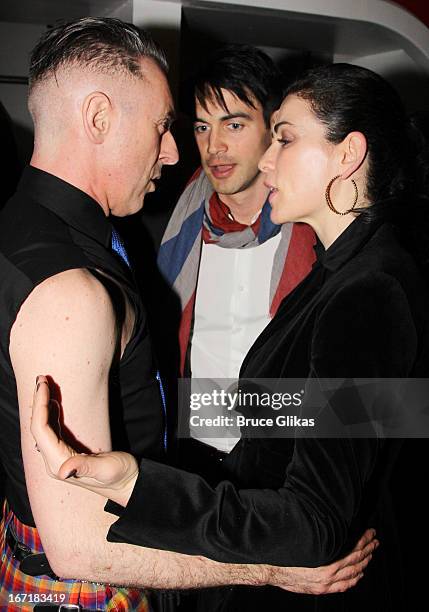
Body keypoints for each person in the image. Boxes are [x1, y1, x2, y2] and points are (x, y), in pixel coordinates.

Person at [0, 18, 374, 612]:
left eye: (246, 127)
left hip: (263, 487)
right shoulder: (164, 225)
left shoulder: (346, 262)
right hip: (179, 491)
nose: (204, 148)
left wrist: (242, 419)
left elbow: (384, 406)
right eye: (195, 126)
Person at [157, 44, 316, 475]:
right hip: (190, 461)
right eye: (203, 128)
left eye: (234, 124)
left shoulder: (318, 230)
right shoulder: (180, 224)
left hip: (283, 465)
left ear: (273, 129)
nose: (215, 146)